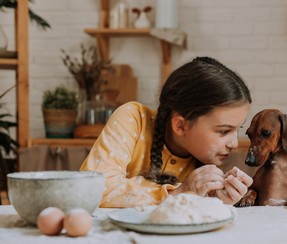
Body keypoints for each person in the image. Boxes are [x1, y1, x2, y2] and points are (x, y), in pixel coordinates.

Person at [80, 56, 253, 207]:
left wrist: (216, 199)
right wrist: (178, 192)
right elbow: (91, 189)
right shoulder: (133, 118)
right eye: (224, 131)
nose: (235, 143)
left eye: (239, 129)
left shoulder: (201, 159)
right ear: (180, 126)